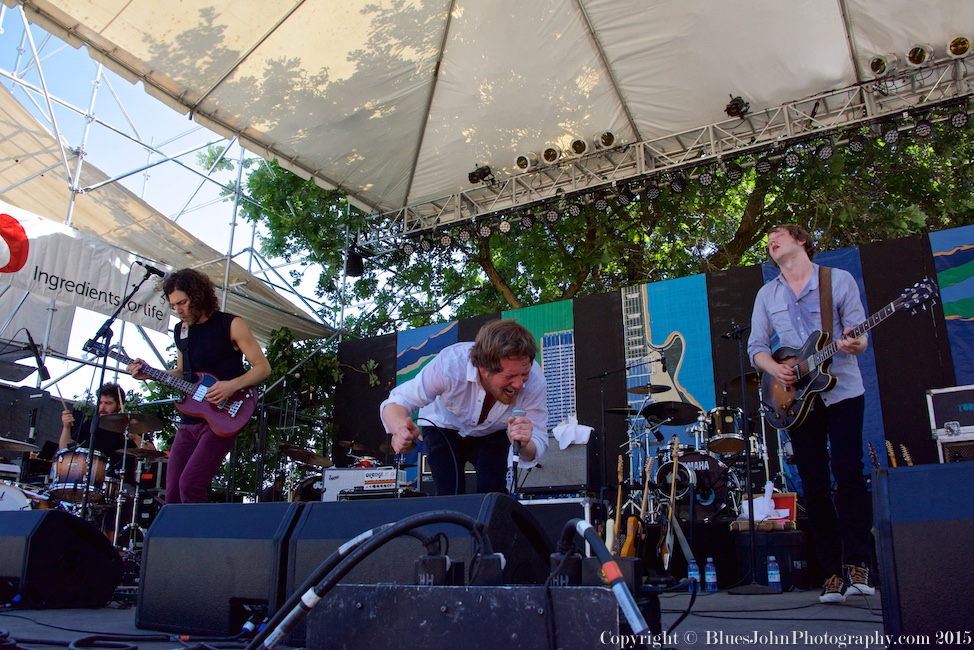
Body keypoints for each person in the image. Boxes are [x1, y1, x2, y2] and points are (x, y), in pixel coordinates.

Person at [747, 224, 874, 604]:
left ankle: (858, 564)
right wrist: (775, 368)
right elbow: (756, 346)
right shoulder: (766, 294)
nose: (771, 242)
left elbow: (861, 338)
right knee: (814, 485)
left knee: (849, 474)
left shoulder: (838, 280)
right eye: (767, 241)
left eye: (777, 235)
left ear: (801, 241)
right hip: (797, 402)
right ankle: (831, 572)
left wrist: (855, 342)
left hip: (844, 391)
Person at [127, 268, 270, 504]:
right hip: (190, 418)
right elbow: (184, 374)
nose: (177, 310)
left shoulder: (231, 324)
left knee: (191, 485)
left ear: (198, 295)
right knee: (172, 492)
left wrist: (231, 385)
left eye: (182, 303)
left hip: (224, 415)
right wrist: (151, 373)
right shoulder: (181, 330)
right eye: (173, 305)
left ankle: (198, 540)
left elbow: (263, 368)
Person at [380, 319, 548, 496]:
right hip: (443, 426)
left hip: (493, 432)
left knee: (493, 495)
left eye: (525, 373)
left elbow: (537, 441)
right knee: (449, 494)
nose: (520, 384)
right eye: (511, 376)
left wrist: (523, 444)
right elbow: (399, 401)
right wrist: (399, 430)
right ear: (484, 369)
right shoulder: (450, 365)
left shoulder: (535, 382)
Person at [59, 382, 154, 478]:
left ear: (119, 405)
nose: (102, 407)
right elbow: (65, 450)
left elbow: (152, 453)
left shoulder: (132, 425)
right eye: (100, 402)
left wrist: (135, 437)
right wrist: (66, 428)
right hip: (89, 480)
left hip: (120, 483)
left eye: (108, 403)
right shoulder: (91, 424)